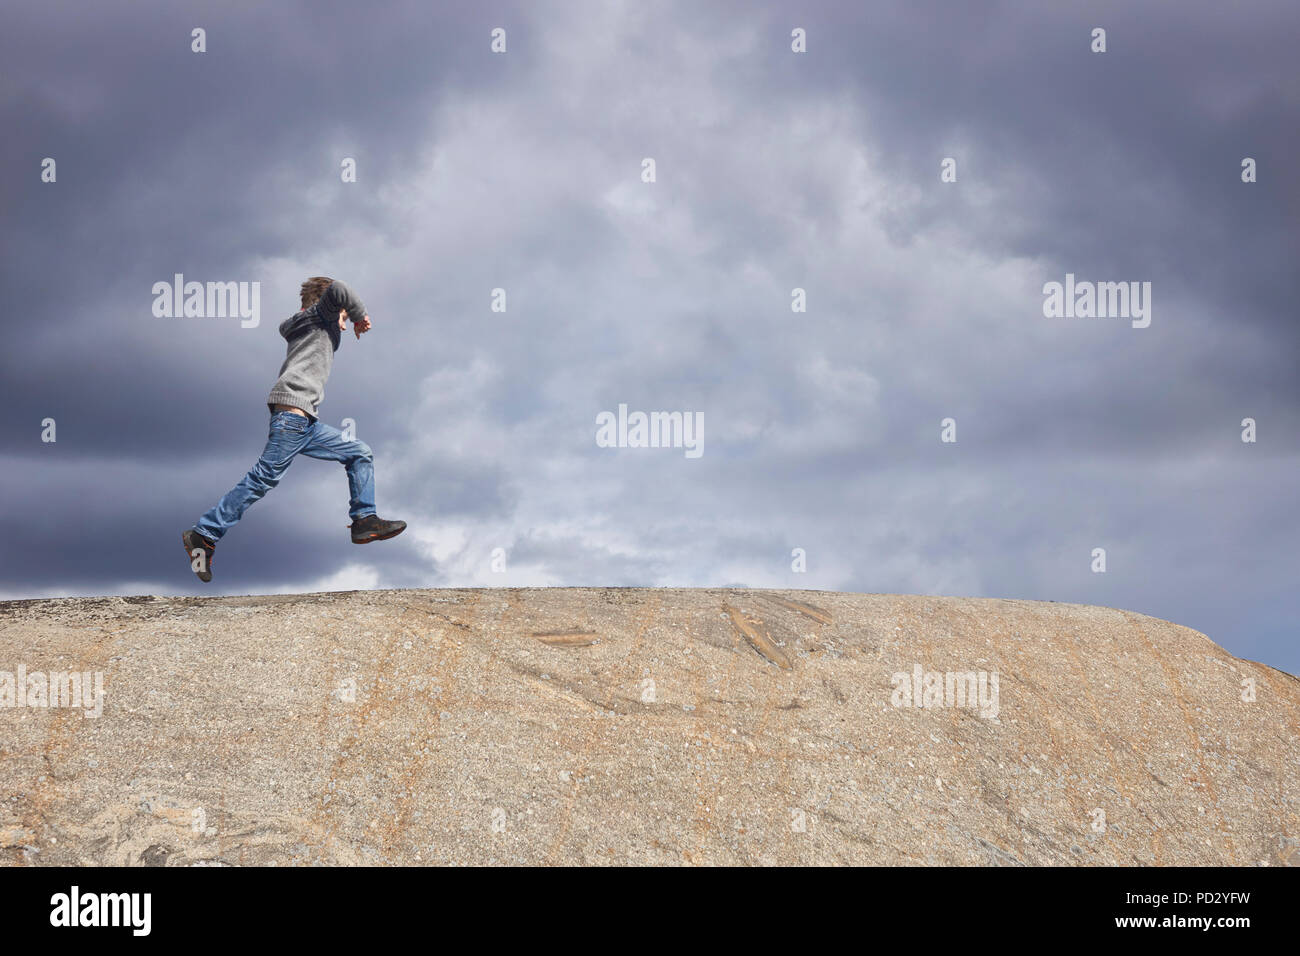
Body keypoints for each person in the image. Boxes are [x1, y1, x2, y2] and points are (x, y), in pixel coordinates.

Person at [181, 277, 405, 582]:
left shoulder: (305, 321)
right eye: (341, 319)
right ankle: (203, 534)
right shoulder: (319, 315)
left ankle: (365, 520)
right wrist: (358, 315)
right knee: (263, 478)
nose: (342, 327)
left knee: (359, 452)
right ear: (330, 308)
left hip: (306, 424)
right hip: (292, 418)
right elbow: (340, 289)